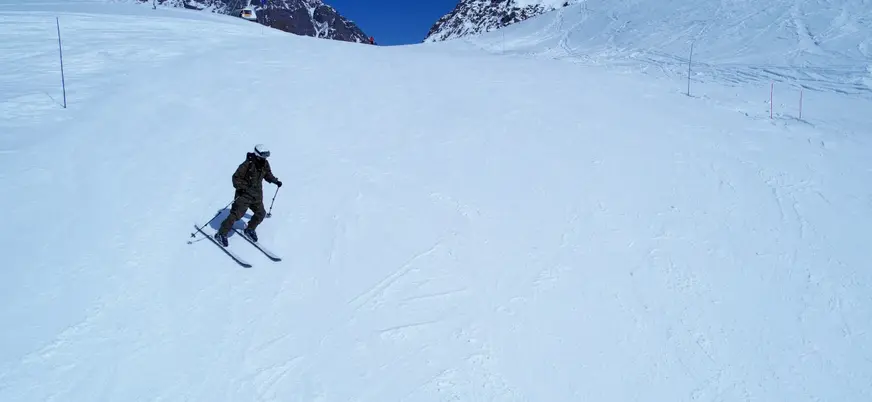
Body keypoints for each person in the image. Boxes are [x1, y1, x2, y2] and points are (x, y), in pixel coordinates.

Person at [215, 144, 282, 246]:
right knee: (236, 215)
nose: (265, 158)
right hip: (244, 195)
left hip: (257, 195)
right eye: (263, 156)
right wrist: (242, 188)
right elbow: (235, 178)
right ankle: (221, 233)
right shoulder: (247, 165)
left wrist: (275, 181)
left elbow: (267, 174)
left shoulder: (264, 163)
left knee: (261, 213)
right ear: (257, 155)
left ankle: (250, 229)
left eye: (266, 157)